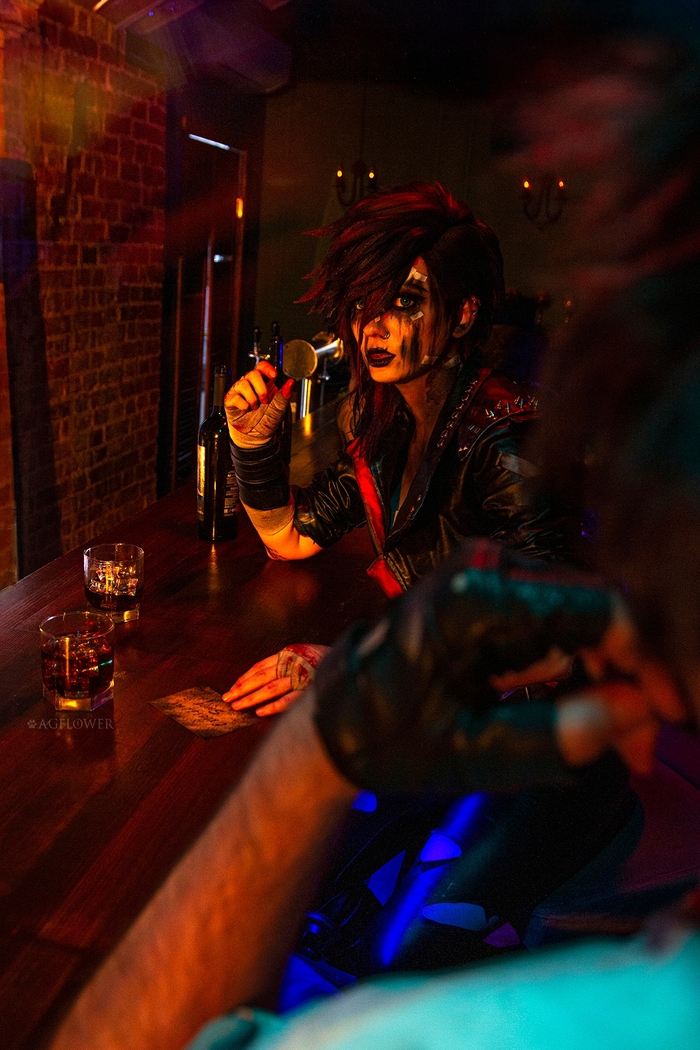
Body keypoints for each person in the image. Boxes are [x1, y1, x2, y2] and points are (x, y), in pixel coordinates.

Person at [224, 182, 574, 717]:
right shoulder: (388, 426)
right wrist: (251, 444)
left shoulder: (507, 432)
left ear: (462, 314)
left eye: (405, 302)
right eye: (363, 304)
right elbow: (290, 536)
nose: (374, 326)